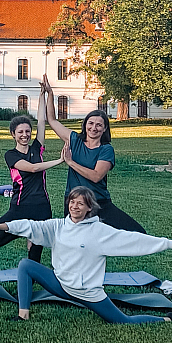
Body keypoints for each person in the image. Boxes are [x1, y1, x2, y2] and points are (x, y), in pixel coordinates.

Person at [0, 187, 172, 323]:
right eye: (72, 202)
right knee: (26, 265)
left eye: (80, 203)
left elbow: (132, 240)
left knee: (122, 321)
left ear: (89, 207)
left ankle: (165, 320)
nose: (74, 206)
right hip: (61, 284)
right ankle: (23, 314)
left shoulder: (100, 231)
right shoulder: (59, 226)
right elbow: (29, 226)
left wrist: (167, 243)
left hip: (87, 293)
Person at [42, 75, 146, 233]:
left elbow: (96, 176)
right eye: (90, 123)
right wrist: (50, 93)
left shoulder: (106, 149)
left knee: (138, 233)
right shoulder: (74, 140)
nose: (94, 128)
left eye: (99, 125)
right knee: (76, 241)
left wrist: (70, 162)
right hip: (74, 202)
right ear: (85, 125)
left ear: (104, 129)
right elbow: (52, 120)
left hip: (98, 202)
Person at [0, 86, 64, 262]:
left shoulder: (36, 149)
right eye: (20, 132)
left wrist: (43, 95)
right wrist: (60, 160)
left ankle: (32, 276)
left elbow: (41, 121)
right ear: (13, 134)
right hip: (20, 207)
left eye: (27, 131)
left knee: (35, 253)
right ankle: (23, 230)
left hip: (42, 207)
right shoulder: (11, 155)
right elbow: (33, 168)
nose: (25, 135)